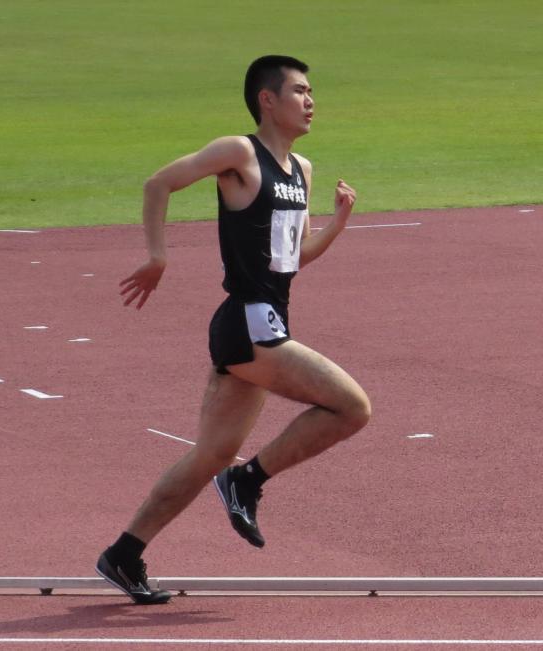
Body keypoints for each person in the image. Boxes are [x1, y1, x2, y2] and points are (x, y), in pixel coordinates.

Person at [96, 55, 371, 604]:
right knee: (352, 407)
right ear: (267, 100)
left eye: (311, 91)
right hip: (248, 321)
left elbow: (292, 257)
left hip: (266, 320)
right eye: (299, 91)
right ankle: (247, 481)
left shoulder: (302, 170)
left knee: (211, 454)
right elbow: (159, 183)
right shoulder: (239, 153)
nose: (311, 101)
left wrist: (338, 223)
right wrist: (158, 256)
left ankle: (124, 553)